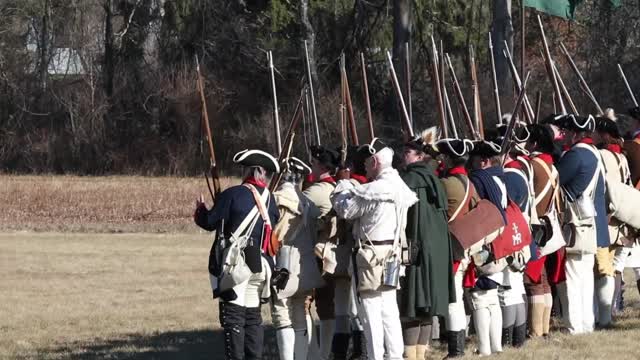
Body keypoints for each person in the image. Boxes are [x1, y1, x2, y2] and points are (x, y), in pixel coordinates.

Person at [331, 139, 418, 360]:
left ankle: (375, 356)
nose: (365, 167)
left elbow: (346, 210)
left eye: (367, 163)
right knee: (389, 309)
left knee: (370, 311)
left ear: (375, 160)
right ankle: (395, 355)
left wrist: (343, 185)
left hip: (371, 256)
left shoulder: (375, 189)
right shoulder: (399, 185)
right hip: (393, 253)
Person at [194, 149, 280, 360]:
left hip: (238, 265)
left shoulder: (233, 194)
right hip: (261, 265)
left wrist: (201, 210)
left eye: (245, 169)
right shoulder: (271, 200)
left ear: (252, 171)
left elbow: (209, 222)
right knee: (252, 319)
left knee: (233, 318)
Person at [398, 129, 454, 360]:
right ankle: (419, 356)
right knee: (425, 310)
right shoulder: (436, 180)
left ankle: (413, 357)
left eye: (409, 152)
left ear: (421, 156)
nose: (404, 156)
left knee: (413, 308)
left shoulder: (410, 180)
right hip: (436, 251)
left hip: (416, 249)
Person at [555, 114, 609, 334]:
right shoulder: (594, 155)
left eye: (567, 132)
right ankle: (587, 323)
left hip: (576, 224)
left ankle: (575, 325)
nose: (564, 135)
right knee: (586, 278)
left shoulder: (576, 155)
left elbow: (556, 181)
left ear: (576, 133)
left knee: (574, 277)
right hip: (591, 223)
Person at [271, 157, 325, 360]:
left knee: (282, 316)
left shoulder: (276, 199)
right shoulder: (308, 203)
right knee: (301, 316)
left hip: (283, 264)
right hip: (306, 266)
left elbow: (273, 235)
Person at [435, 137, 478, 358]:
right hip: (464, 247)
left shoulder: (444, 184)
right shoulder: (469, 183)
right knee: (457, 298)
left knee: (452, 300)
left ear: (450, 159)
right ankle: (457, 347)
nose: (440, 159)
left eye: (443, 156)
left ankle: (456, 350)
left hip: (448, 248)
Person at [490, 123, 531, 348]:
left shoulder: (511, 176)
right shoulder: (515, 172)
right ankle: (517, 339)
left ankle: (511, 341)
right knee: (514, 290)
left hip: (511, 237)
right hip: (517, 236)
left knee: (509, 292)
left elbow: (505, 212)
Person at [467, 139, 508, 356]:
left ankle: (484, 348)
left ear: (482, 161)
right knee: (492, 295)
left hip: (486, 239)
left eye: (473, 160)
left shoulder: (479, 179)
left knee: (481, 296)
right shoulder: (499, 176)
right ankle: (497, 346)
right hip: (500, 238)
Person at [302, 145, 343, 360]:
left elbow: (295, 211)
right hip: (332, 255)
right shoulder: (335, 187)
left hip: (318, 254)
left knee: (304, 304)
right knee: (327, 307)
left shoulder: (316, 191)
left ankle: (312, 353)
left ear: (320, 166)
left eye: (313, 163)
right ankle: (323, 353)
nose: (311, 167)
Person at [524, 124, 561, 338]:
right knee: (543, 280)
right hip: (548, 226)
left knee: (534, 281)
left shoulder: (532, 165)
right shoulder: (551, 165)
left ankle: (536, 331)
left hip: (536, 227)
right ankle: (544, 329)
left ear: (535, 143)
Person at [594, 115, 630, 327]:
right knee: (610, 268)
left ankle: (604, 317)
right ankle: (607, 314)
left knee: (602, 269)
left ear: (604, 135)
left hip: (605, 218)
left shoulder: (600, 156)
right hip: (619, 221)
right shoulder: (622, 158)